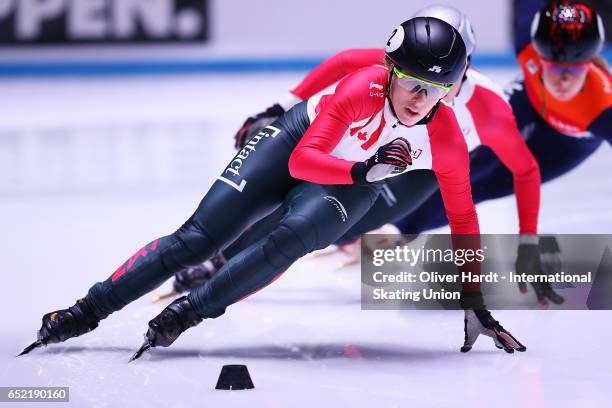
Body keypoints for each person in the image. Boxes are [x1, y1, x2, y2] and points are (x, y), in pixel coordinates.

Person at [20, 18, 525, 359]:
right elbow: (306, 159)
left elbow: (464, 220)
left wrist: (475, 298)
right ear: (390, 70)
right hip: (296, 146)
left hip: (355, 181)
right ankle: (87, 310)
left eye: (439, 89)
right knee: (195, 241)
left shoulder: (446, 138)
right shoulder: (359, 88)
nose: (423, 100)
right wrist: (359, 171)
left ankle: (186, 314)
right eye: (414, 83)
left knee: (291, 239)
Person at [167, 5, 560, 305]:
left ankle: (246, 266)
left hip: (420, 171)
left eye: (446, 78)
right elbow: (343, 62)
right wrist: (281, 106)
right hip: (375, 144)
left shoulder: (488, 111)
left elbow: (525, 170)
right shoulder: (403, 68)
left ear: (466, 68)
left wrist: (529, 244)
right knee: (292, 197)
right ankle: (219, 261)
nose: (429, 87)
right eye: (419, 75)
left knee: (331, 227)